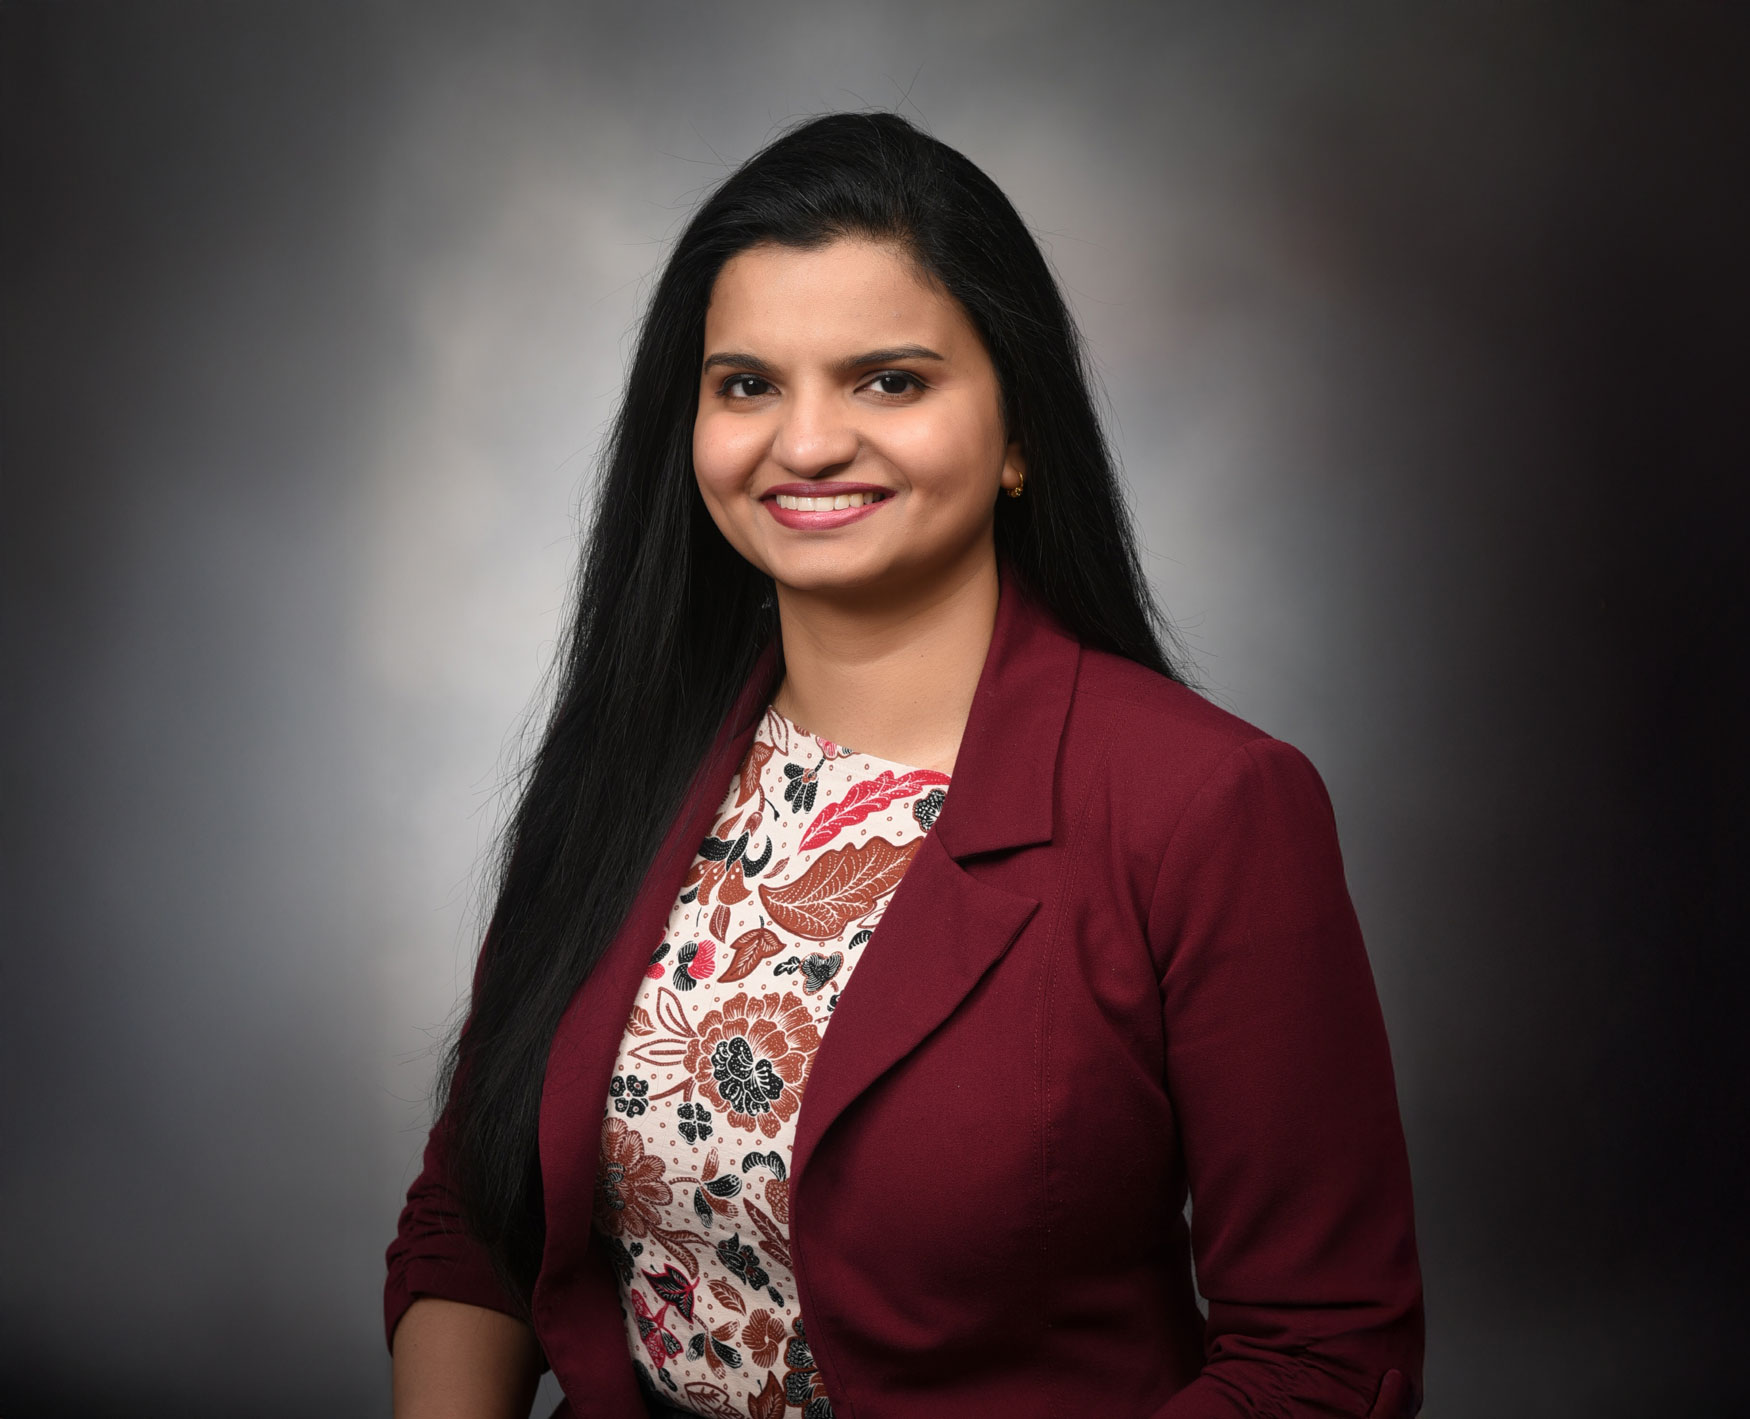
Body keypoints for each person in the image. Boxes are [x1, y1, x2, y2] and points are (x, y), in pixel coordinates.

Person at [385, 110, 1424, 1419]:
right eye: (747, 385)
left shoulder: (1207, 806)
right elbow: (473, 1224)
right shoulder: (627, 767)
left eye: (889, 381)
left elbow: (1322, 1360)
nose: (808, 443)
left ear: (1019, 433)